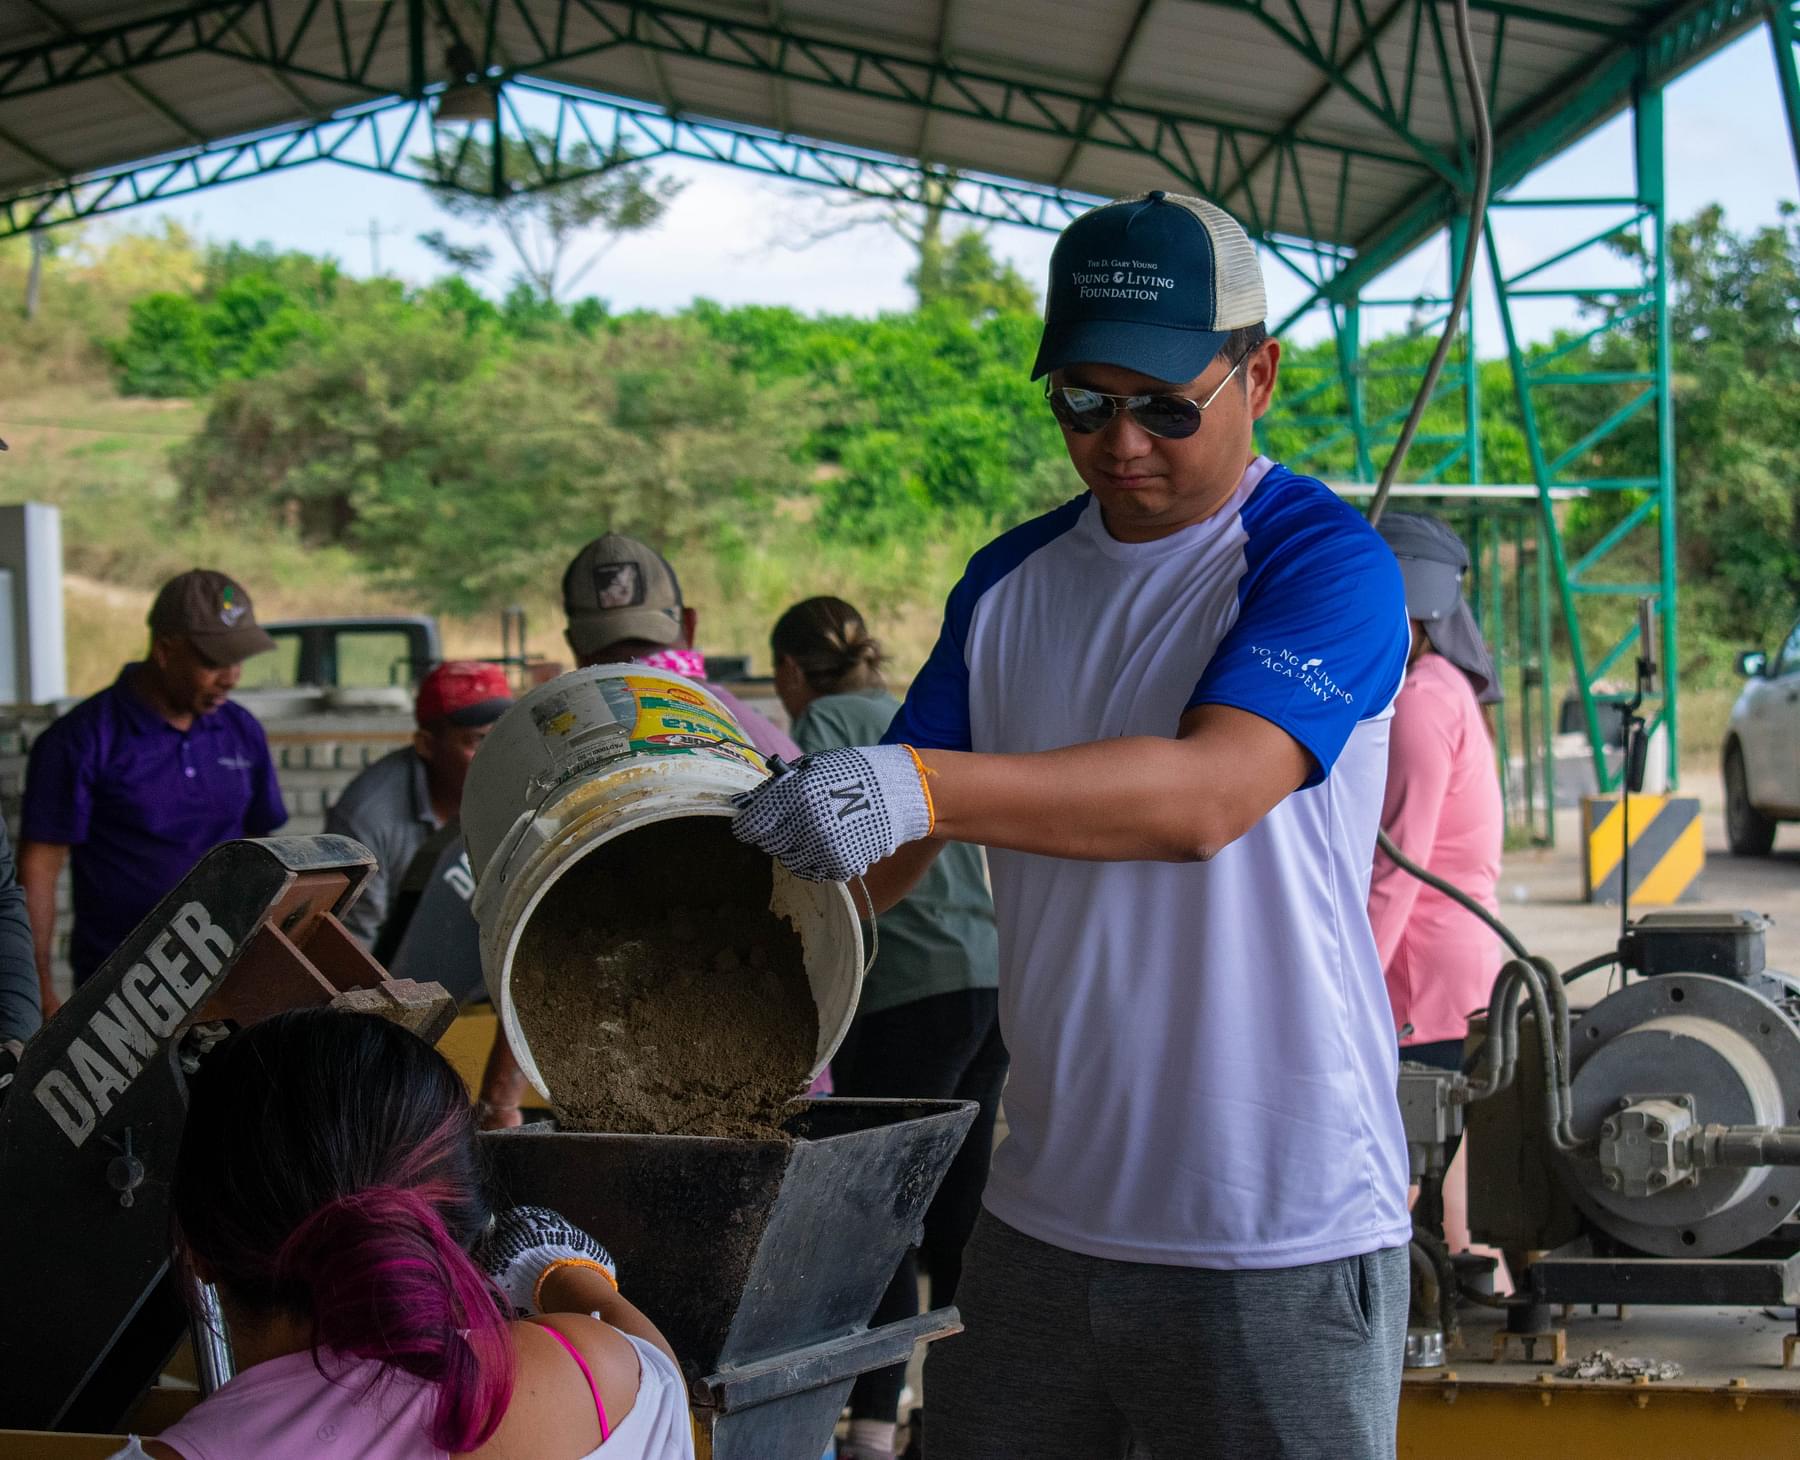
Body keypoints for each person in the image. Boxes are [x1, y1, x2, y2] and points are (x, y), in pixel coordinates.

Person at [732, 191, 1412, 1459]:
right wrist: (727, 878)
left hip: (1276, 1223)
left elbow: (1207, 796)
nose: (1121, 443)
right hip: (1042, 1219)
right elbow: (884, 849)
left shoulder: (1322, 564)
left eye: (1164, 404)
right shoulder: (1009, 581)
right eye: (1084, 404)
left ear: (1256, 374)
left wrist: (928, 784)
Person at [110, 1007, 693, 1460]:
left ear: (197, 1248)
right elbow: (659, 1376)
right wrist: (563, 1274)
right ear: (452, 1227)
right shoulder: (588, 1375)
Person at [771, 597, 1004, 1460]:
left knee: (878, 1218)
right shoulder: (914, 712)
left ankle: (870, 1429)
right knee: (958, 1220)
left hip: (907, 993)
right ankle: (950, 1422)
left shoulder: (822, 724)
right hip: (983, 982)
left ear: (791, 673)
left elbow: (813, 861)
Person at [473, 533, 802, 1128]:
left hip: (630, 1085)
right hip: (783, 1080)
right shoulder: (762, 737)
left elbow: (532, 926)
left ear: (575, 641)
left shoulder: (576, 756)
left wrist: (500, 1097)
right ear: (690, 625)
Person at [21, 570, 286, 1015]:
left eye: (239, 661)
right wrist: (39, 990)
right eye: (214, 662)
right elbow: (40, 869)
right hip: (122, 989)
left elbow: (266, 852)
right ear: (165, 650)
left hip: (234, 972)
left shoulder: (241, 730)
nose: (231, 678)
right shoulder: (80, 739)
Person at [1368, 514, 1505, 1257]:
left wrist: (1346, 975)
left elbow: (1400, 863)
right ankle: (1463, 1317)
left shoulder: (1421, 701)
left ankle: (1421, 1328)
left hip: (1419, 968)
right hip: (1452, 962)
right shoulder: (1446, 687)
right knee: (1446, 1171)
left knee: (1409, 1171)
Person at [325, 660, 513, 948]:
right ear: (426, 745)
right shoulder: (367, 818)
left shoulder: (526, 790)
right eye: (477, 740)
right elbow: (352, 949)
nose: (495, 756)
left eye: (503, 736)